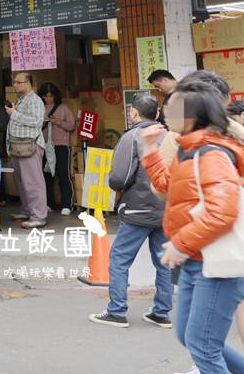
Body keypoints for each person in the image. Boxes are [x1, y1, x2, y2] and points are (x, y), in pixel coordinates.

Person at [140, 80, 244, 374]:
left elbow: (223, 211)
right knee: (188, 336)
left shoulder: (210, 154)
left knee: (202, 346)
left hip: (215, 265)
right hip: (196, 261)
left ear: (194, 115)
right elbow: (166, 185)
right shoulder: (188, 150)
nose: (165, 111)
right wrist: (149, 150)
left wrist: (180, 243)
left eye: (174, 106)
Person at [88, 93, 172, 329]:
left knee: (119, 259)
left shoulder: (132, 136)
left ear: (134, 113)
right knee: (163, 261)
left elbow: (119, 177)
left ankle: (117, 310)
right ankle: (161, 312)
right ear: (157, 114)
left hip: (138, 208)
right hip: (165, 208)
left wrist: (116, 187)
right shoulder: (170, 136)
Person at [6, 73, 48, 228]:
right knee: (22, 181)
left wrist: (14, 114)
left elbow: (37, 122)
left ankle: (38, 215)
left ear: (28, 83)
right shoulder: (23, 99)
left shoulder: (35, 100)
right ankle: (27, 210)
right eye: (14, 82)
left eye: (18, 82)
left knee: (33, 181)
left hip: (30, 145)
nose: (15, 85)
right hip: (19, 146)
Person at [37, 82, 76, 215]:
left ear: (55, 96)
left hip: (61, 145)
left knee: (63, 175)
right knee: (46, 175)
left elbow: (71, 126)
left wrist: (58, 122)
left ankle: (67, 205)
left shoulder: (63, 108)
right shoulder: (39, 108)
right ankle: (49, 203)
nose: (48, 99)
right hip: (43, 146)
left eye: (51, 96)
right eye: (46, 96)